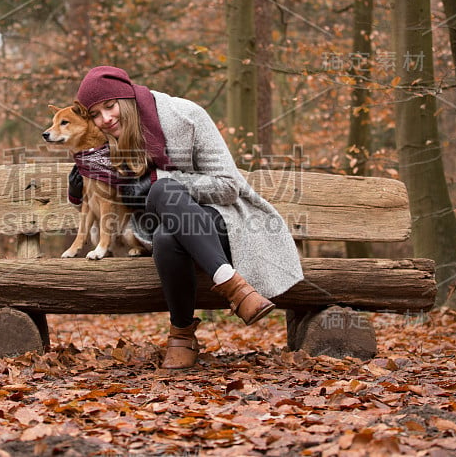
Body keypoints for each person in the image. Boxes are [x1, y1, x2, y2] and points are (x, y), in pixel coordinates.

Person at [68, 66, 304, 369]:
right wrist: (76, 190)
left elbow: (228, 186)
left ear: (126, 97)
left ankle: (188, 327)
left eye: (110, 106)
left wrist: (163, 179)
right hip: (154, 231)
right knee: (165, 226)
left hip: (219, 223)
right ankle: (225, 296)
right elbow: (102, 204)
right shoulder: (104, 142)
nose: (106, 119)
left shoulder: (185, 115)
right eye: (96, 114)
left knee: (166, 205)